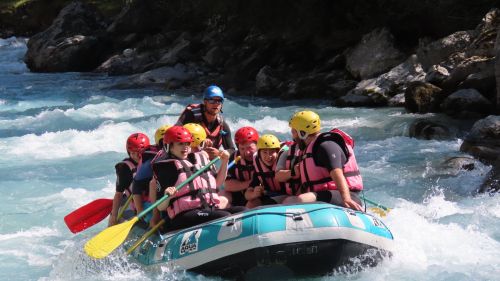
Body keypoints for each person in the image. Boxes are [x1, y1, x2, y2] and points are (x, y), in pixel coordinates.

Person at [152, 126, 245, 230]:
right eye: (180, 144)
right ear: (170, 146)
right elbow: (160, 206)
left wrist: (224, 162)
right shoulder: (167, 169)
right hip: (184, 215)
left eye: (187, 143)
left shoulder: (200, 159)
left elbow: (217, 183)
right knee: (224, 216)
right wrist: (167, 196)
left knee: (243, 210)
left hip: (209, 208)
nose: (185, 147)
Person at [282, 111, 363, 211]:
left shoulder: (326, 145)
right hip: (325, 194)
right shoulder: (308, 149)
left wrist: (346, 199)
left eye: (293, 132)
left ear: (302, 133)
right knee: (289, 201)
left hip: (345, 195)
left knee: (301, 199)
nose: (293, 137)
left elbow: (336, 172)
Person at [175, 85, 235, 159]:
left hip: (206, 162)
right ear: (205, 102)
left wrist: (220, 153)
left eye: (219, 101)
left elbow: (232, 150)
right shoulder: (191, 114)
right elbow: (174, 132)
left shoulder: (222, 125)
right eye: (212, 100)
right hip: (186, 157)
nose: (216, 104)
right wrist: (198, 143)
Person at [109, 132, 150, 226]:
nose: (136, 156)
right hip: (131, 204)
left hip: (148, 202)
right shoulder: (124, 168)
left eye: (140, 152)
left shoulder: (152, 161)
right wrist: (114, 215)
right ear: (129, 152)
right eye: (133, 153)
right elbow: (119, 194)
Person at [132, 125, 170, 223]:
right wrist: (140, 211)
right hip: (151, 201)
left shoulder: (187, 155)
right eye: (164, 142)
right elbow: (136, 185)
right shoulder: (151, 161)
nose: (168, 144)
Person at [245, 134, 288, 208]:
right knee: (251, 203)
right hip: (270, 195)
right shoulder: (258, 165)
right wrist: (254, 194)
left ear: (277, 152)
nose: (269, 156)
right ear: (259, 153)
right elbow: (247, 194)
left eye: (272, 152)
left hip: (287, 196)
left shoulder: (285, 161)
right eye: (264, 152)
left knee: (269, 203)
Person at [220, 126, 259, 207]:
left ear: (257, 145)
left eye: (250, 148)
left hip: (258, 195)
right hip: (239, 194)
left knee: (252, 203)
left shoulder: (264, 156)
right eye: (242, 149)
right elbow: (227, 185)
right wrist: (251, 183)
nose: (247, 152)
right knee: (221, 197)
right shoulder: (233, 158)